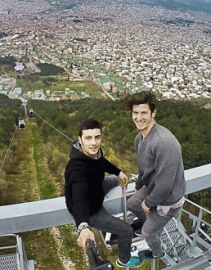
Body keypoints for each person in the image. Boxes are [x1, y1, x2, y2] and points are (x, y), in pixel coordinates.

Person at [64, 119, 144, 268]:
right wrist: (83, 227)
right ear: (80, 139)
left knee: (114, 179)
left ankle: (116, 177)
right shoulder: (76, 169)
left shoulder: (94, 153)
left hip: (96, 189)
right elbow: (79, 198)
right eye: (88, 138)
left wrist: (119, 172)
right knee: (126, 230)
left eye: (97, 137)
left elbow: (102, 162)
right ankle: (124, 260)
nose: (94, 143)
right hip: (91, 210)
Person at [124, 91, 186, 260]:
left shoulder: (164, 143)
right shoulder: (140, 139)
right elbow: (144, 169)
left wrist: (148, 203)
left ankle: (158, 253)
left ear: (153, 113)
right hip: (152, 188)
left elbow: (165, 185)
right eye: (135, 113)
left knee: (147, 234)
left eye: (144, 112)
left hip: (169, 199)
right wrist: (139, 188)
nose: (138, 117)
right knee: (131, 204)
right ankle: (150, 223)